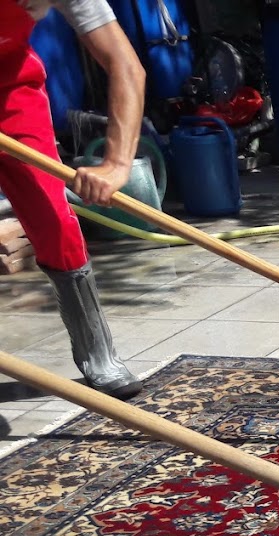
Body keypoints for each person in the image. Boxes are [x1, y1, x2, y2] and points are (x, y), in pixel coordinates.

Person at [1, 0, 144, 397]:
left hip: (11, 92)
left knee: (55, 219)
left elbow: (125, 64)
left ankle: (97, 352)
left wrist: (116, 164)